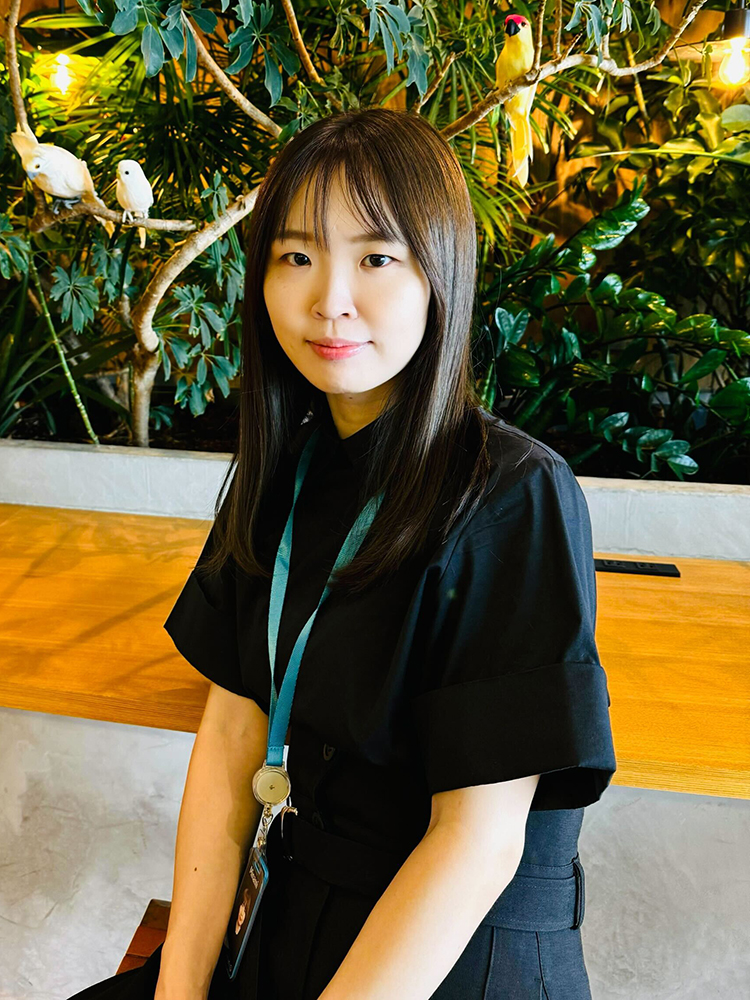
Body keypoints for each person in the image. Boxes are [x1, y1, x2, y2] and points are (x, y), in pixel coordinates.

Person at [66, 107, 616, 1000]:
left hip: (452, 952)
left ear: (440, 272)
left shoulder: (514, 491)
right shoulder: (283, 467)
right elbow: (233, 735)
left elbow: (477, 840)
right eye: (296, 256)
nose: (330, 299)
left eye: (376, 258)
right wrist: (181, 988)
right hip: (299, 907)